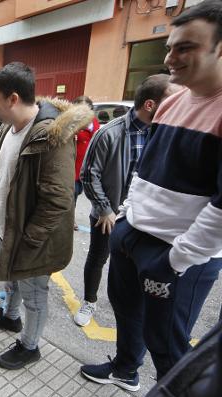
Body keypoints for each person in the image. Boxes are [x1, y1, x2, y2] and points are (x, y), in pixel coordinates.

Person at [81, 0, 222, 391]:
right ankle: (126, 369)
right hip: (132, 234)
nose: (170, 57)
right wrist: (127, 213)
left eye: (185, 47)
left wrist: (176, 260)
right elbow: (147, 169)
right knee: (126, 312)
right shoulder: (173, 100)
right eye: (170, 46)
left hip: (176, 253)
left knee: (167, 343)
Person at [0, 62, 93, 370]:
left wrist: (29, 239)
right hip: (10, 230)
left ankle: (30, 347)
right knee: (13, 283)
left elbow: (58, 200)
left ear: (13, 98)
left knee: (34, 294)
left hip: (32, 239)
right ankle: (10, 318)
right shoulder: (6, 130)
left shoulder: (51, 136)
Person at [74, 75, 180, 327]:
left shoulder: (165, 134)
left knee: (133, 268)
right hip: (109, 215)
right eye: (172, 100)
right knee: (98, 258)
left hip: (144, 219)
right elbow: (88, 175)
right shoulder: (109, 133)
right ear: (150, 105)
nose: (178, 105)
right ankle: (89, 301)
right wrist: (104, 209)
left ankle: (128, 310)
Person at [72, 96, 99, 228]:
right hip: (73, 164)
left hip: (88, 163)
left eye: (86, 108)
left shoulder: (94, 121)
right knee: (73, 193)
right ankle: (70, 219)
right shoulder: (72, 122)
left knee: (81, 190)